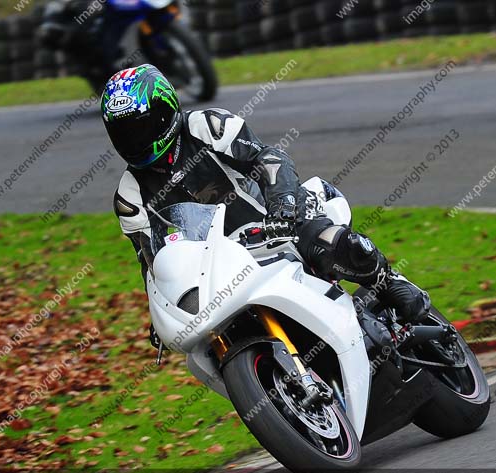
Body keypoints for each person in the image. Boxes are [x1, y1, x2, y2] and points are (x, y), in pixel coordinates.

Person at [101, 64, 431, 347]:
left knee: (327, 243)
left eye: (142, 126)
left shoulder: (206, 126)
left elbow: (268, 158)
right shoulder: (130, 196)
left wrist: (283, 204)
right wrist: (160, 311)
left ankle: (390, 282)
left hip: (274, 223)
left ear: (167, 109)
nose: (136, 140)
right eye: (125, 133)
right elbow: (151, 262)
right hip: (220, 266)